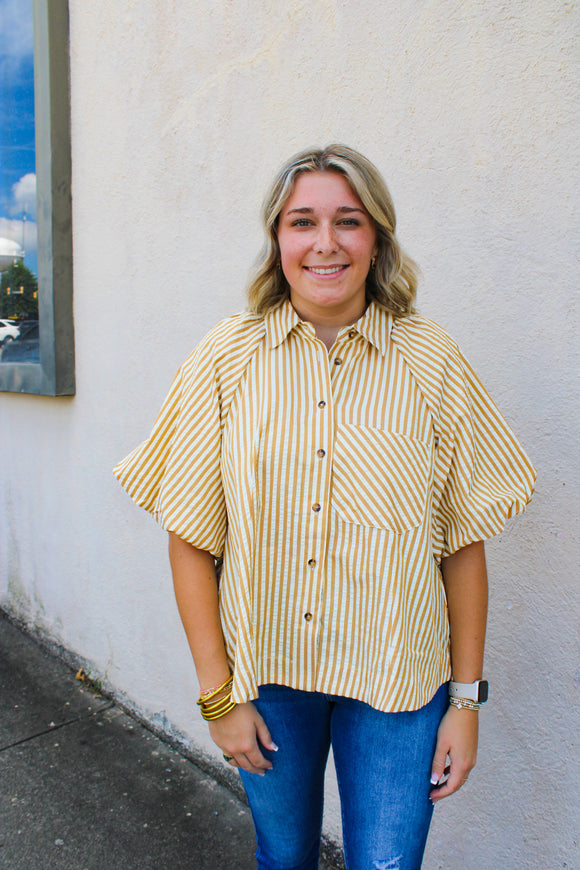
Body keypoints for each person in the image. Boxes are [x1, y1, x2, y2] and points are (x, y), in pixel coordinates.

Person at [114, 145, 535, 870]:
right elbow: (191, 539)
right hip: (267, 676)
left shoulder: (432, 361)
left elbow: (462, 543)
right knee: (283, 857)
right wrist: (218, 697)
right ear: (278, 239)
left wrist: (464, 704)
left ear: (377, 239)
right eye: (302, 221)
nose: (325, 242)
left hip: (398, 685)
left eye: (349, 220)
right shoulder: (226, 358)